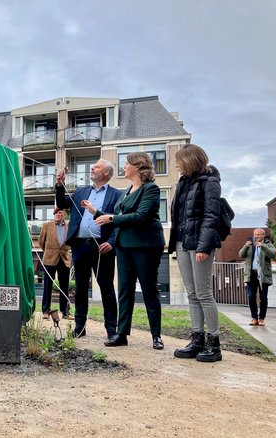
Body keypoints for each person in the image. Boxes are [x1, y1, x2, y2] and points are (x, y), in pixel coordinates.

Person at [94, 152, 165, 350]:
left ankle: (156, 336)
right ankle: (122, 334)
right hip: (124, 247)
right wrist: (96, 213)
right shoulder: (127, 191)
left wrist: (111, 218)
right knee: (125, 291)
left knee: (150, 290)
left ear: (138, 166)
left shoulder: (151, 189)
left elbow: (141, 216)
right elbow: (116, 216)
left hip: (146, 247)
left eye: (127, 163)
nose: (124, 166)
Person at [168, 144, 223, 362]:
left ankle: (214, 343)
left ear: (190, 160)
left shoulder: (210, 182)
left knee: (204, 294)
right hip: (182, 243)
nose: (176, 164)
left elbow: (211, 216)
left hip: (200, 245)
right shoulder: (183, 182)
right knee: (191, 293)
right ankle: (197, 338)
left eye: (179, 160)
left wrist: (203, 246)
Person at [55, 159, 122, 338]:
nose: (92, 168)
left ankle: (111, 330)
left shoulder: (116, 195)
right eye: (93, 166)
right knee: (81, 288)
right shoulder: (81, 191)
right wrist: (59, 184)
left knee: (106, 287)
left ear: (106, 173)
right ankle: (79, 327)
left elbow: (119, 222)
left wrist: (112, 242)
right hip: (80, 246)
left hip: (103, 247)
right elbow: (61, 202)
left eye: (97, 166)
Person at [38, 207, 72, 319]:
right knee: (47, 285)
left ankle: (65, 312)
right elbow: (41, 242)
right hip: (49, 259)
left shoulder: (70, 226)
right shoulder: (46, 226)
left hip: (64, 258)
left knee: (64, 286)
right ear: (54, 215)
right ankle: (45, 311)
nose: (58, 214)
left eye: (61, 212)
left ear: (64, 215)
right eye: (56, 213)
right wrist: (49, 252)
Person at [239, 228, 276, 327]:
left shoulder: (268, 244)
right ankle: (254, 318)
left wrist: (263, 246)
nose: (256, 236)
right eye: (255, 234)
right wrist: (245, 246)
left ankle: (261, 319)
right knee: (251, 296)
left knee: (263, 297)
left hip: (263, 275)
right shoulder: (250, 244)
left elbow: (273, 255)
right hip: (251, 274)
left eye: (259, 234)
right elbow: (241, 255)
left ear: (263, 235)